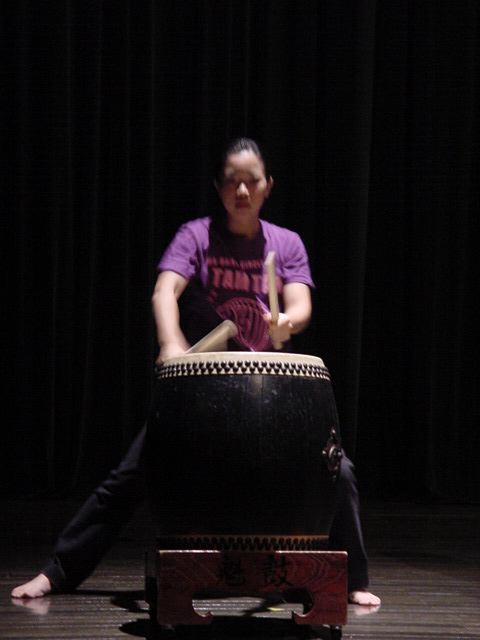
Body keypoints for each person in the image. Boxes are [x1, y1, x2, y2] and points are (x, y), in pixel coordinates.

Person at [12, 137, 380, 607]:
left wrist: (286, 322)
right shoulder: (196, 236)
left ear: (268, 186)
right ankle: (58, 571)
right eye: (232, 181)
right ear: (218, 186)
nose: (242, 191)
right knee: (132, 474)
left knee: (336, 470)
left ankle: (354, 580)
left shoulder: (285, 243)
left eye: (251, 181)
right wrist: (171, 343)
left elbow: (301, 304)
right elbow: (165, 291)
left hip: (273, 396)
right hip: (205, 392)